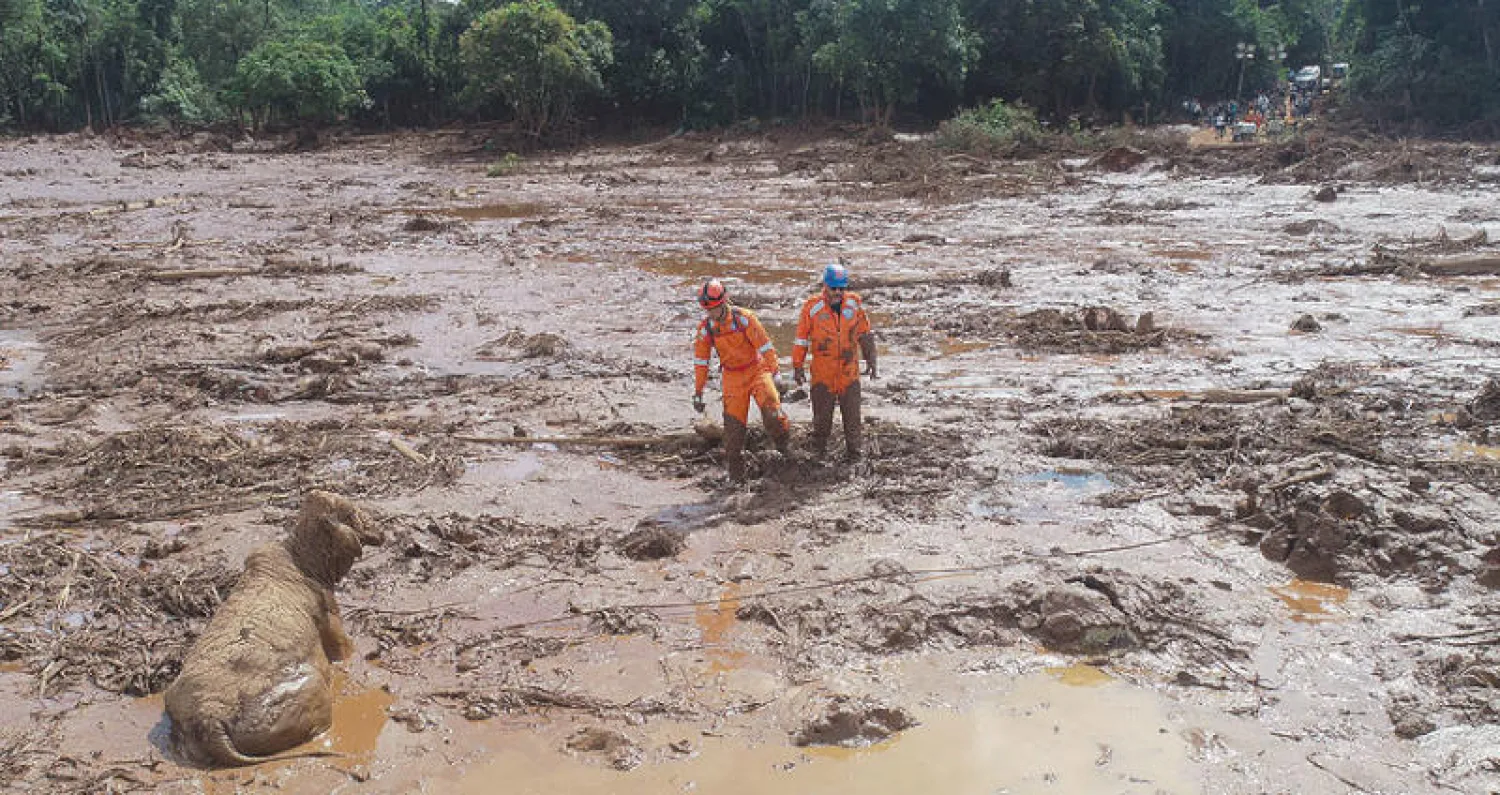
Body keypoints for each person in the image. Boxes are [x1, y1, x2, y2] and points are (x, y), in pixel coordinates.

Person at [692, 278, 791, 481]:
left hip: (757, 370)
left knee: (773, 413)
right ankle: (737, 479)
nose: (711, 314)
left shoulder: (744, 319)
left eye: (714, 309)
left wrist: (776, 373)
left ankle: (785, 451)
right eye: (707, 310)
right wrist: (699, 391)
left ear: (724, 301)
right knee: (733, 434)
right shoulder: (707, 329)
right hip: (732, 377)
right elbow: (701, 362)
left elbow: (765, 346)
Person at [791, 264, 877, 461]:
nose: (837, 293)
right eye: (833, 288)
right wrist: (797, 366)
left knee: (853, 419)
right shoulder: (812, 308)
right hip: (823, 374)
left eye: (841, 289)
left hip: (849, 372)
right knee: (822, 420)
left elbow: (865, 333)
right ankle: (819, 455)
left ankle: (855, 456)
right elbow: (801, 340)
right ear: (825, 286)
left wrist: (871, 360)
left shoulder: (854, 305)